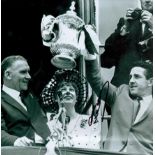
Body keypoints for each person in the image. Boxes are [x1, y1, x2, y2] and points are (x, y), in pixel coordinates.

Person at [83, 51, 153, 154]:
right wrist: (91, 57)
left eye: (137, 77)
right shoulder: (121, 93)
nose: (131, 81)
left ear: (150, 82)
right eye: (130, 77)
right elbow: (97, 81)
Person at [41, 69, 103, 154]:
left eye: (71, 89)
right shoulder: (49, 123)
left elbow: (94, 150)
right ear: (56, 98)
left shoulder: (91, 122)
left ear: (76, 98)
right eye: (63, 89)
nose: (67, 92)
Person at [100, 0, 153, 87]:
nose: (147, 0)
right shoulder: (128, 22)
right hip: (123, 87)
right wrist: (122, 34)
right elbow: (106, 61)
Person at [1, 55, 51, 146]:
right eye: (23, 72)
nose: (29, 76)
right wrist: (15, 141)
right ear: (8, 75)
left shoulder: (30, 97)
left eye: (28, 72)